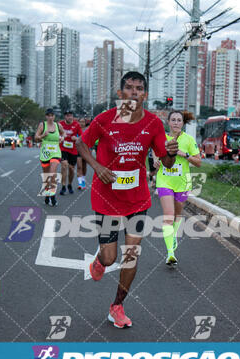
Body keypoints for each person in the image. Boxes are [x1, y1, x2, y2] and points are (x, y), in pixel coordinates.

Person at [76, 71, 178, 329]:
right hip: (107, 198)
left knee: (131, 255)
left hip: (137, 199)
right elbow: (80, 142)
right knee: (111, 258)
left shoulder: (154, 123)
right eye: (129, 88)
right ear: (120, 93)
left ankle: (117, 306)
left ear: (144, 93)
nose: (134, 92)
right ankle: (100, 260)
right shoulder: (104, 119)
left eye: (139, 88)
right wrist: (97, 167)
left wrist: (172, 154)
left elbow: (165, 161)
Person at [154, 110, 201, 266]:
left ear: (182, 123)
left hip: (182, 182)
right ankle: (170, 253)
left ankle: (173, 236)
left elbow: (198, 162)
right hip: (164, 181)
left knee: (177, 215)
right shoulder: (161, 139)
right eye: (173, 120)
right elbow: (156, 155)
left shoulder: (188, 139)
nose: (175, 122)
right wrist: (156, 161)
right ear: (168, 122)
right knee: (168, 215)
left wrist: (184, 154)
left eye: (178, 120)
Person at [35, 108, 64, 206]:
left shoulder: (58, 125)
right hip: (45, 153)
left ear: (54, 116)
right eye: (49, 115)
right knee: (47, 176)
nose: (50, 117)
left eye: (52, 115)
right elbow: (36, 138)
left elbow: (63, 133)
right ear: (46, 116)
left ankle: (53, 196)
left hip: (56, 152)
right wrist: (43, 135)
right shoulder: (42, 125)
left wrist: (62, 137)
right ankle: (48, 195)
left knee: (53, 172)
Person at [59, 110, 82, 195]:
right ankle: (63, 186)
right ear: (65, 117)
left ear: (72, 116)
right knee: (64, 165)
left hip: (73, 150)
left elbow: (81, 137)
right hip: (63, 148)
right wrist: (60, 138)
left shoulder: (77, 125)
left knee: (71, 169)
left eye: (70, 115)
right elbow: (57, 134)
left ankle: (69, 184)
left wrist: (75, 138)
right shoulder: (60, 124)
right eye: (67, 115)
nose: (69, 117)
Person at [76, 118, 89, 190]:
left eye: (83, 122)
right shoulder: (76, 130)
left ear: (85, 122)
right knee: (79, 166)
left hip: (85, 150)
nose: (81, 123)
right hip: (77, 150)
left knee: (84, 167)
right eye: (80, 122)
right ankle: (80, 183)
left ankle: (83, 180)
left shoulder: (87, 130)